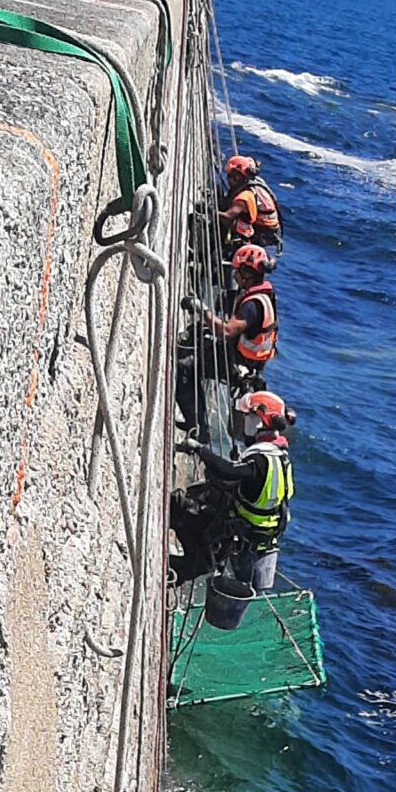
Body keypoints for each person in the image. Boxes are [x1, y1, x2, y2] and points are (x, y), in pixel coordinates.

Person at [170, 390, 295, 592]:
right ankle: (167, 574)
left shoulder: (261, 460)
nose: (243, 423)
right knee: (201, 563)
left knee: (182, 513)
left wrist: (199, 449)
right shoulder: (280, 458)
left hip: (239, 530)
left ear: (259, 421)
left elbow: (228, 471)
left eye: (247, 417)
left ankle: (161, 568)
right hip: (251, 535)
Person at [206, 242, 278, 386]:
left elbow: (225, 331)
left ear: (247, 273)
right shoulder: (265, 297)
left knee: (186, 367)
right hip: (252, 364)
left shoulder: (252, 305)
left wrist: (202, 310)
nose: (234, 276)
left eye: (237, 271)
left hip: (238, 364)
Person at [219, 151, 282, 250]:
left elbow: (227, 216)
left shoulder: (245, 196)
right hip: (266, 227)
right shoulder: (253, 182)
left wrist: (211, 211)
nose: (228, 179)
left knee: (225, 222)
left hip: (262, 231)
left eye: (231, 176)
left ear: (238, 177)